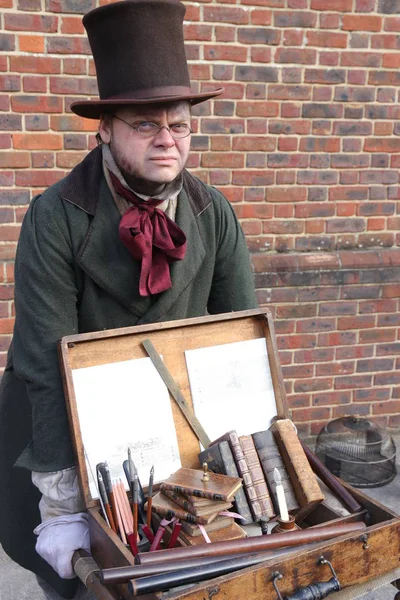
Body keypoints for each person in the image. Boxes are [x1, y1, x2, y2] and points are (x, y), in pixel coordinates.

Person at [0, 1, 258, 599]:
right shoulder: (55, 217)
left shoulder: (213, 212)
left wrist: (240, 468)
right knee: (79, 587)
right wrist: (62, 505)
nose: (167, 140)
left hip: (167, 441)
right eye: (146, 125)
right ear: (106, 129)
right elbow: (43, 360)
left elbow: (237, 350)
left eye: (179, 126)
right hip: (62, 438)